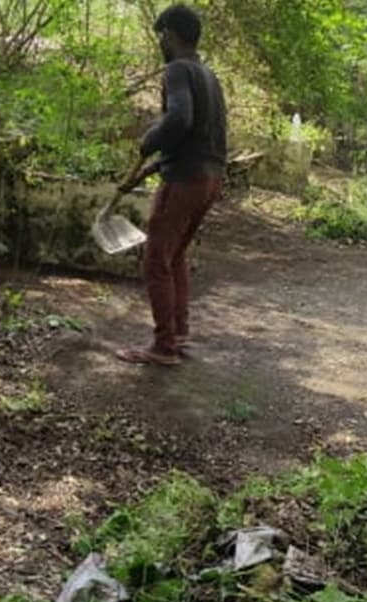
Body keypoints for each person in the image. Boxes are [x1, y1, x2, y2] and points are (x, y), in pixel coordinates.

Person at [115, 3, 228, 366]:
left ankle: (164, 347)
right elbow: (201, 132)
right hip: (209, 177)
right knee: (175, 255)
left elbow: (179, 119)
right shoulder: (208, 74)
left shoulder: (178, 69)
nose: (160, 43)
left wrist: (149, 142)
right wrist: (158, 164)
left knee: (155, 261)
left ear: (170, 35)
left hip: (184, 180)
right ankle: (178, 333)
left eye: (161, 36)